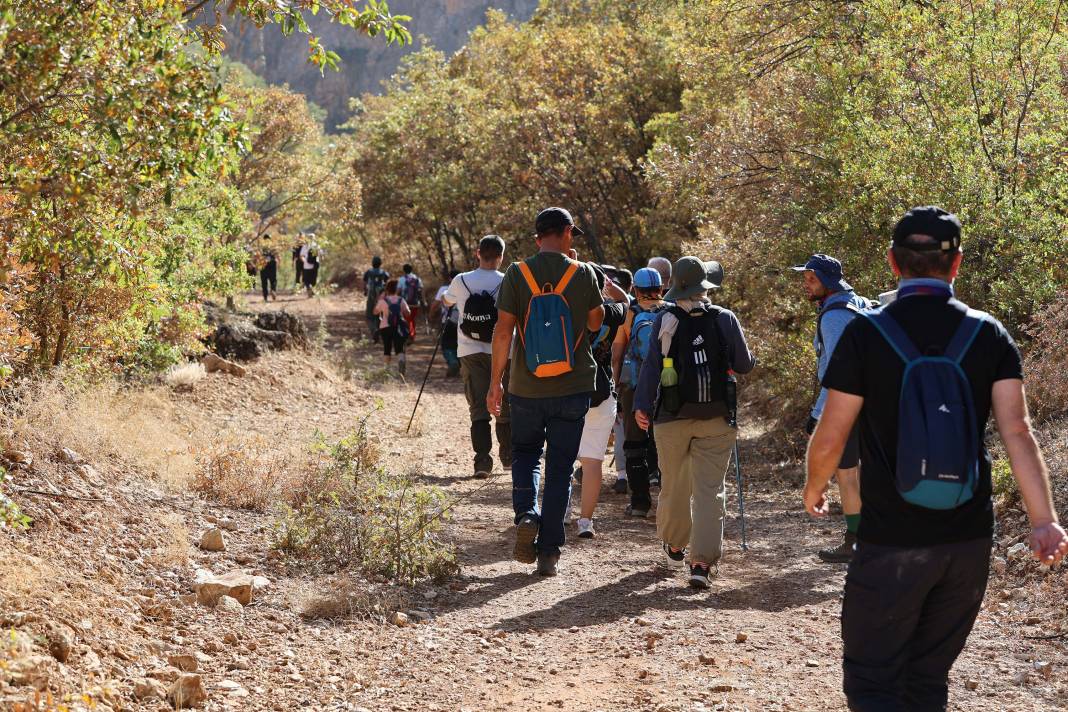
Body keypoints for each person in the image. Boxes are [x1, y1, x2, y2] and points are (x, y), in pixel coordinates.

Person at [805, 206, 1067, 710]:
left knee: (874, 680)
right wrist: (1044, 521)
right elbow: (1017, 430)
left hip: (890, 541)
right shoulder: (989, 335)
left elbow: (833, 431)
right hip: (965, 541)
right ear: (957, 264)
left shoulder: (865, 333)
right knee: (927, 679)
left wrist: (815, 485)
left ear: (892, 262)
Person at [488, 208, 604, 576]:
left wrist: (495, 382)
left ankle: (526, 514)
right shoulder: (583, 273)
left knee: (525, 454)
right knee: (560, 467)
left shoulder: (517, 274)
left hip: (526, 386)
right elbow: (596, 321)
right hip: (573, 386)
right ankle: (550, 551)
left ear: (538, 237)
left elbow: (503, 332)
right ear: (568, 233)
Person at [634, 256, 756, 589]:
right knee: (709, 491)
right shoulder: (725, 319)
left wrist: (641, 405)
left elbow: (651, 366)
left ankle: (675, 545)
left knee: (674, 483)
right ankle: (701, 563)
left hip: (671, 417)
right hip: (717, 418)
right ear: (705, 287)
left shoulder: (665, 319)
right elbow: (743, 365)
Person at [790, 254, 870, 563]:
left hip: (847, 407)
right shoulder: (859, 303)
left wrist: (818, 415)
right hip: (874, 403)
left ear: (828, 281)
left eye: (811, 279)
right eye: (805, 278)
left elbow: (836, 373)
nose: (805, 285)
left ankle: (855, 543)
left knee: (847, 475)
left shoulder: (834, 316)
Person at [445, 235, 512, 479]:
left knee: (478, 407)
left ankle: (482, 461)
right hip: (504, 351)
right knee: (505, 404)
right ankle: (508, 456)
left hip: (469, 351)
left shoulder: (461, 280)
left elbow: (447, 301)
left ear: (477, 253)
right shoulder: (508, 281)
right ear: (501, 256)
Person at [573, 265, 630, 538]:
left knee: (561, 457)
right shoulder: (609, 314)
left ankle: (560, 512)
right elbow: (626, 301)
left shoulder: (568, 311)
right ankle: (586, 522)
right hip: (601, 395)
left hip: (567, 394)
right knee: (592, 461)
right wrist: (609, 284)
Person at [612, 267, 668, 518]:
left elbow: (617, 354)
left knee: (634, 444)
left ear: (635, 289)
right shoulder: (671, 311)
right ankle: (668, 501)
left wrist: (616, 386)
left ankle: (639, 503)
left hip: (634, 386)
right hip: (666, 385)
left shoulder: (630, 314)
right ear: (661, 288)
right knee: (666, 443)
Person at [373, 278, 411, 374]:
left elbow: (375, 312)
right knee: (400, 347)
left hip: (385, 327)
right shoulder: (401, 300)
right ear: (397, 289)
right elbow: (408, 313)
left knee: (387, 347)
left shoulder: (383, 301)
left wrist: (380, 299)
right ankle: (401, 360)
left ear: (387, 289)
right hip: (398, 327)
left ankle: (386, 369)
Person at [433, 270, 462, 378]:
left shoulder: (444, 289)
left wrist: (431, 315)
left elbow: (435, 305)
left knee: (446, 345)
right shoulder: (466, 288)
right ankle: (459, 364)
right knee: (459, 344)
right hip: (462, 323)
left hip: (447, 322)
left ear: (450, 278)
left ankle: (452, 361)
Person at [363, 256, 390, 343]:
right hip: (381, 297)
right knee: (380, 315)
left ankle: (374, 330)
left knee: (369, 315)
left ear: (372, 263)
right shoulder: (384, 273)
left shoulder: (369, 272)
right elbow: (387, 282)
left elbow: (365, 282)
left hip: (371, 296)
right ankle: (378, 329)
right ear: (380, 263)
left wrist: (365, 291)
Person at [397, 264, 425, 341]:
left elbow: (398, 291)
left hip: (405, 303)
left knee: (406, 319)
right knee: (412, 319)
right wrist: (424, 301)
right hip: (415, 303)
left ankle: (408, 334)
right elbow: (421, 290)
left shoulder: (402, 279)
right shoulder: (417, 279)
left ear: (404, 270)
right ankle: (412, 334)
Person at [257, 235, 278, 303]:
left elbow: (258, 256)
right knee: (273, 280)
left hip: (263, 266)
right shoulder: (273, 247)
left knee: (264, 282)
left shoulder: (261, 247)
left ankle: (265, 297)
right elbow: (276, 255)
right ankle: (273, 290)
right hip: (272, 265)